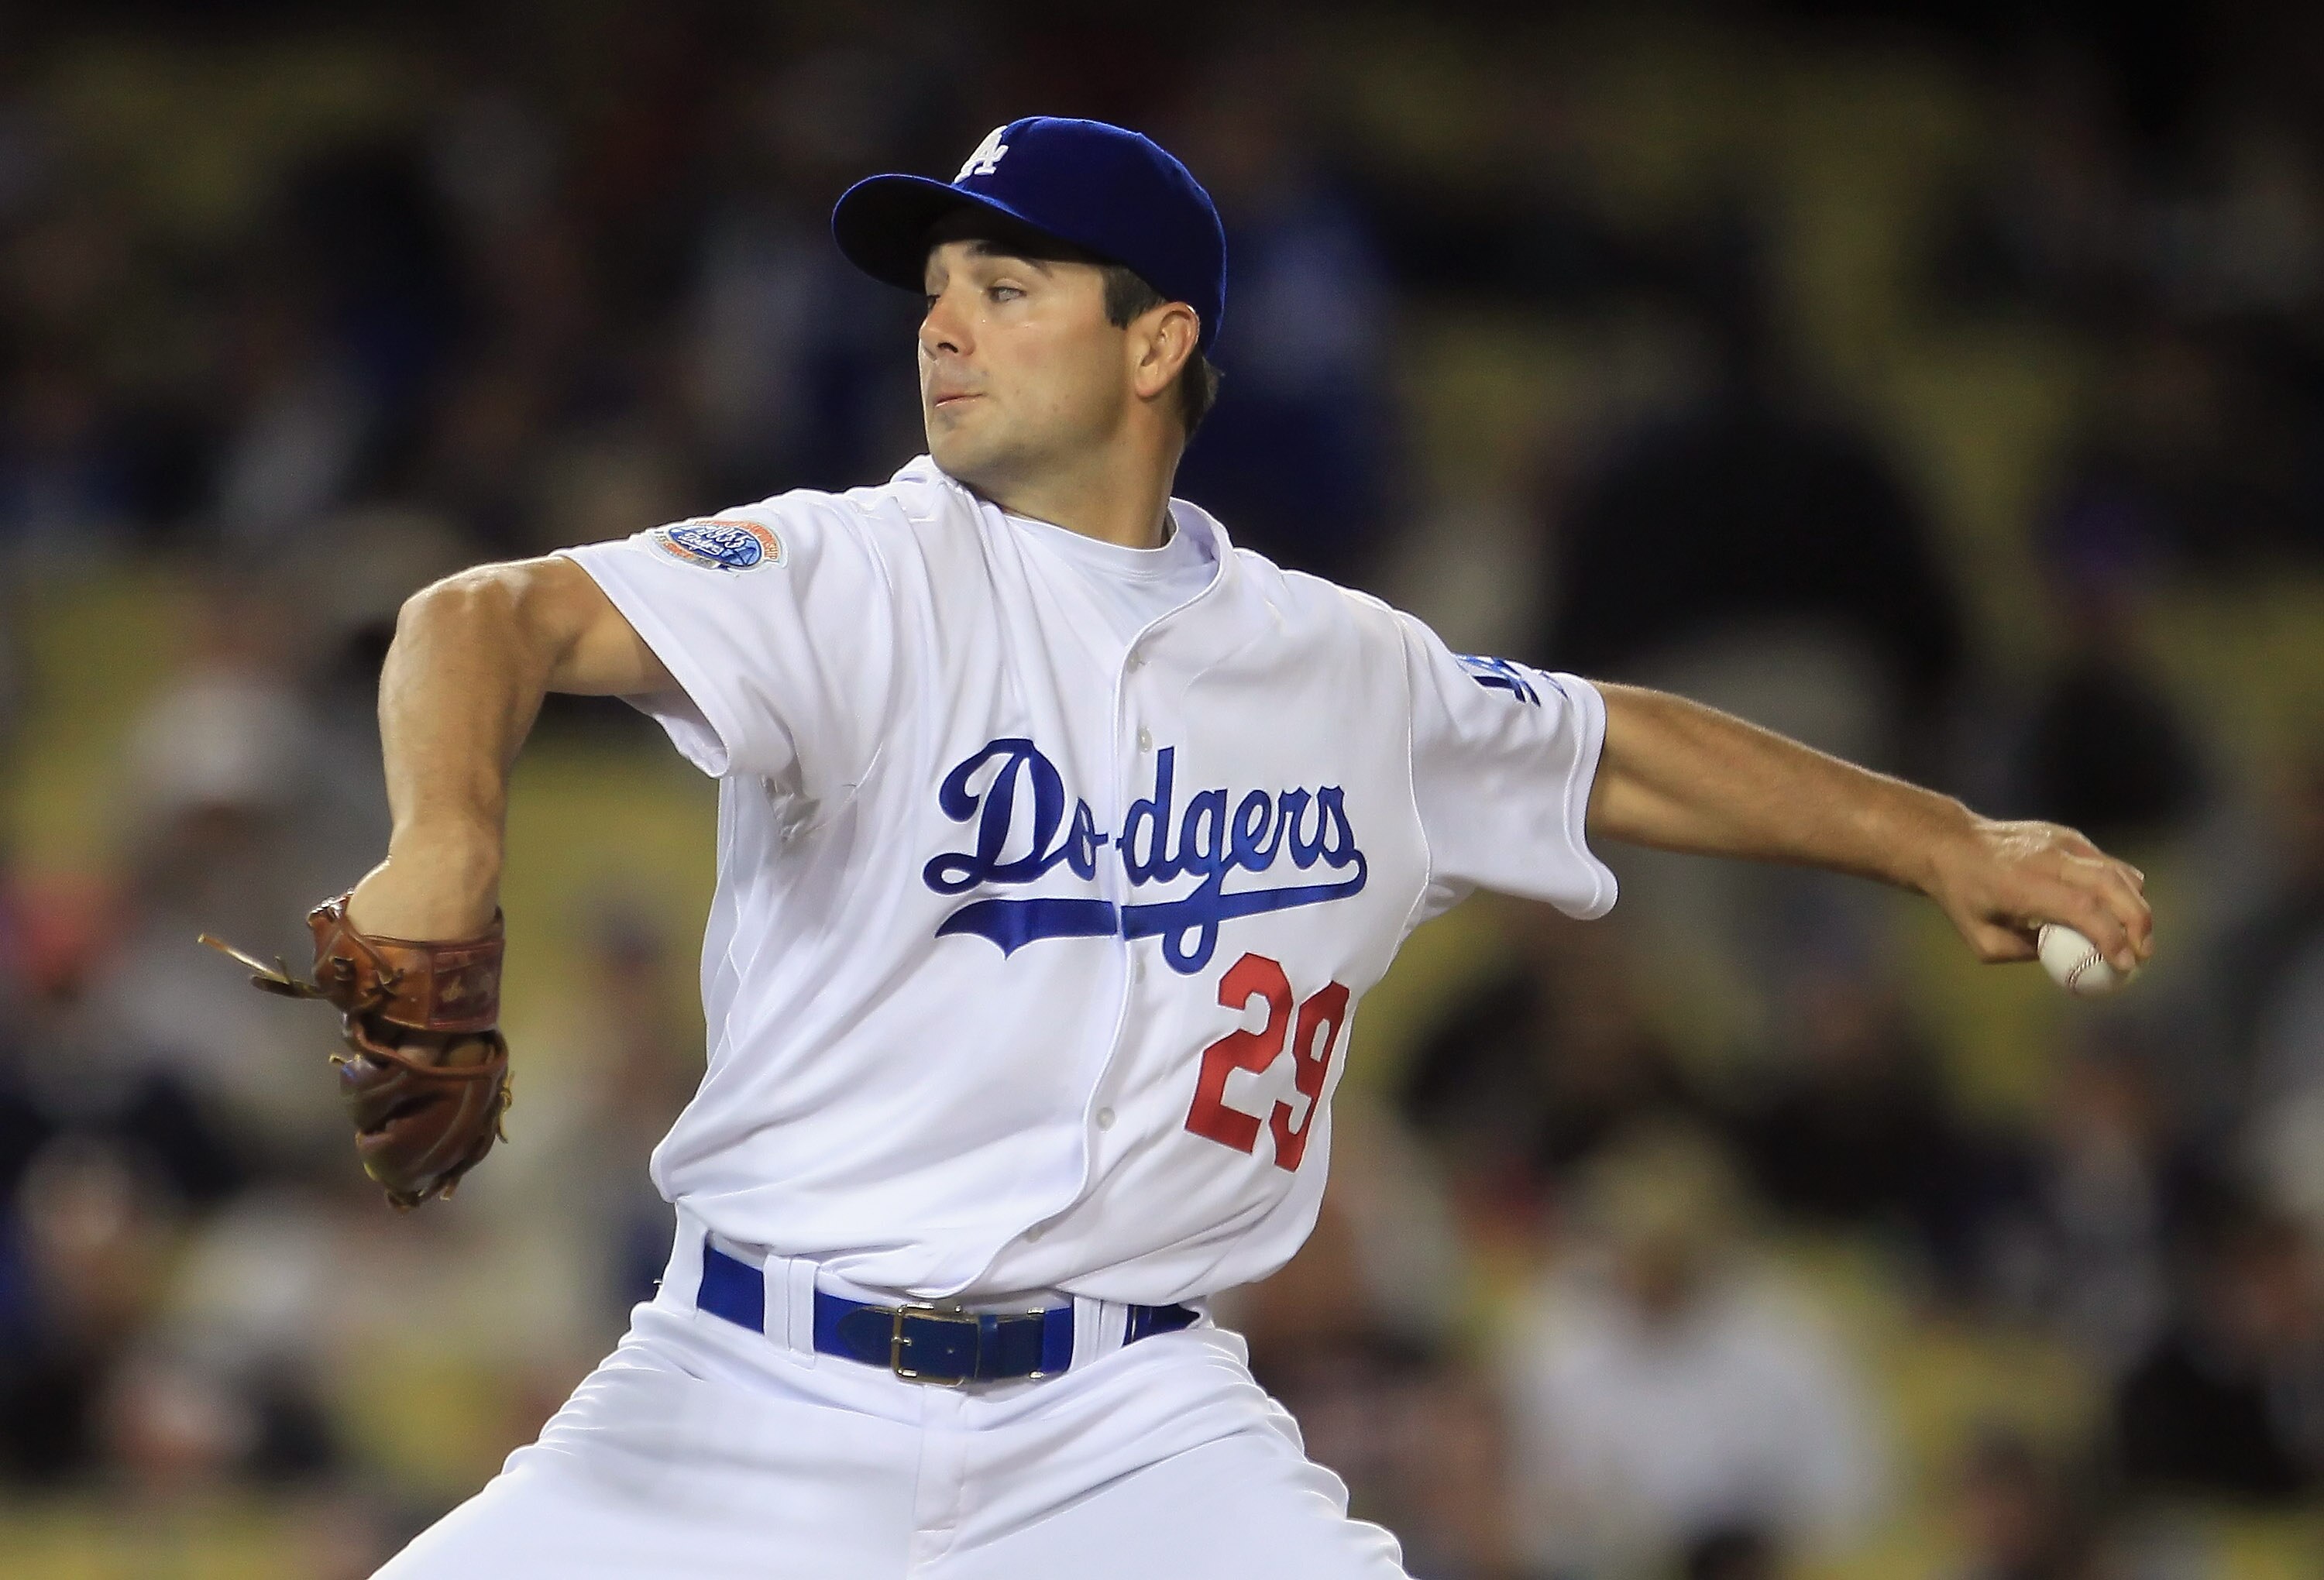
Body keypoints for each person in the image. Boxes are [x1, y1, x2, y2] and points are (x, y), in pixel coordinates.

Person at [319, 117, 2150, 1576]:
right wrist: (447, 848)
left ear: (1159, 341)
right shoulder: (854, 572)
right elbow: (485, 619)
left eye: (1009, 284)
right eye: (936, 286)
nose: (942, 323)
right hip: (744, 1391)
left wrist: (1940, 843)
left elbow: (1616, 753)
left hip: (1133, 1431)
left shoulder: (1343, 669)